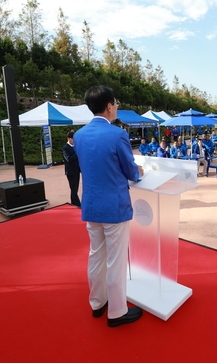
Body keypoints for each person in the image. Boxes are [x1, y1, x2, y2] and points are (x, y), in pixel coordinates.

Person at [73, 85, 143, 327]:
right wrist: (139, 172)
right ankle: (117, 311)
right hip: (114, 207)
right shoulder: (118, 135)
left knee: (96, 256)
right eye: (116, 104)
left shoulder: (79, 135)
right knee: (115, 259)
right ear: (109, 106)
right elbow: (129, 170)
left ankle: (97, 302)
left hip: (91, 205)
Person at [62, 131, 81, 207]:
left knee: (76, 187)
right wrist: (77, 153)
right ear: (68, 139)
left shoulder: (75, 146)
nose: (74, 141)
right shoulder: (65, 148)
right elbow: (68, 159)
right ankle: (77, 203)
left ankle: (73, 202)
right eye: (72, 139)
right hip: (70, 171)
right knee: (73, 188)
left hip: (77, 170)